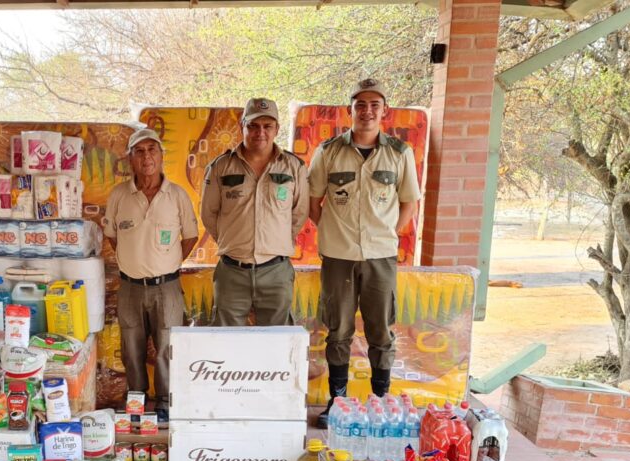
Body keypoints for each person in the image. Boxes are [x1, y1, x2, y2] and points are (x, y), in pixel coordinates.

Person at [308, 78, 421, 428]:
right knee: (338, 329)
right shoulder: (328, 151)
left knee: (380, 330)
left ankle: (381, 403)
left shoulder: (400, 153)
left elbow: (409, 202)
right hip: (338, 256)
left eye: (374, 105)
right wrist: (332, 231)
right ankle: (338, 402)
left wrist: (388, 234)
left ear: (384, 111)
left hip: (381, 257)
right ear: (350, 111)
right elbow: (313, 202)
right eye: (360, 104)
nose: (367, 111)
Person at [103, 128, 198, 425]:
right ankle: (137, 399)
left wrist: (166, 262)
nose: (147, 157)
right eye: (139, 151)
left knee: (167, 347)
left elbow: (190, 237)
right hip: (130, 287)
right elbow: (113, 237)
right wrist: (136, 262)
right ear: (130, 158)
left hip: (167, 286)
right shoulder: (119, 195)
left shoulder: (177, 195)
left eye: (152, 150)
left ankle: (165, 403)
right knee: (131, 346)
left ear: (161, 155)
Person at [201, 98, 309, 326]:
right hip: (232, 272)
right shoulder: (221, 167)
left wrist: (276, 240)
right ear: (242, 126)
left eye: (267, 126)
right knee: (227, 345)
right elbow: (209, 214)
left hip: (276, 272)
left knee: (277, 344)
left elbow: (299, 213)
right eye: (253, 126)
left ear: (277, 129)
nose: (260, 132)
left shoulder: (294, 167)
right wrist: (234, 241)